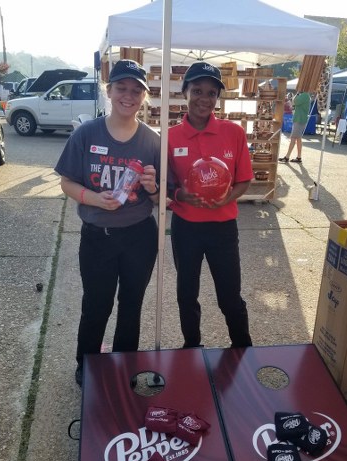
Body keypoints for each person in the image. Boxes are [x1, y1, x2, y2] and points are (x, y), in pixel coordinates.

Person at [54, 59, 160, 387]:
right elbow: (66, 182)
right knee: (97, 304)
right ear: (109, 90)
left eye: (135, 90)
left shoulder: (152, 141)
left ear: (144, 96)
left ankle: (125, 363)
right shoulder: (88, 133)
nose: (128, 96)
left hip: (139, 236)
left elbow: (161, 201)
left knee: (131, 304)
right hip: (97, 235)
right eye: (121, 88)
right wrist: (94, 198)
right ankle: (87, 363)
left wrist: (153, 188)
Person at [167, 61, 253, 349]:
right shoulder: (170, 137)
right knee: (186, 293)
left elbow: (244, 180)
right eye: (197, 91)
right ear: (185, 92)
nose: (204, 99)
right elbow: (166, 186)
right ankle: (192, 347)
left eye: (211, 93)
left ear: (218, 97)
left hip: (223, 228)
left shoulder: (234, 133)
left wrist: (227, 197)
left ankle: (242, 347)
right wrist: (180, 196)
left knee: (229, 296)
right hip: (186, 228)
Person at [279, 90, 311, 163]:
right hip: (300, 119)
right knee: (298, 138)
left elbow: (294, 102)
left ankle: (287, 157)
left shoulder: (304, 95)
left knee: (293, 138)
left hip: (299, 119)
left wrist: (297, 93)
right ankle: (299, 157)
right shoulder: (306, 95)